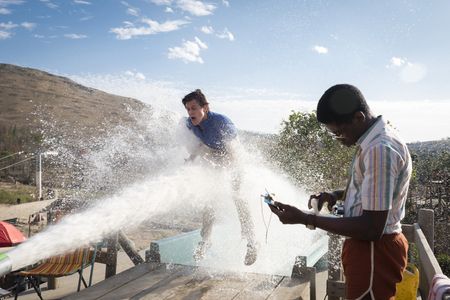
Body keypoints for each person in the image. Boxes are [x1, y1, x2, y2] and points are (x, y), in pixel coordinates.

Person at [269, 84, 412, 300]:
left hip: (374, 252)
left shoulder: (379, 149)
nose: (340, 139)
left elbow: (371, 227)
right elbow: (372, 192)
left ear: (358, 117)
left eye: (339, 132)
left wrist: (306, 218)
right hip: (370, 251)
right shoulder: (374, 141)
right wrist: (335, 195)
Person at [182, 89, 257, 266]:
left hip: (233, 158)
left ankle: (252, 242)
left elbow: (233, 151)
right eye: (188, 109)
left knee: (237, 196)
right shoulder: (190, 123)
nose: (191, 112)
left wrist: (228, 170)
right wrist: (191, 159)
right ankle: (206, 240)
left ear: (205, 108)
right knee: (210, 199)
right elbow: (200, 143)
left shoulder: (221, 122)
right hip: (214, 155)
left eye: (194, 108)